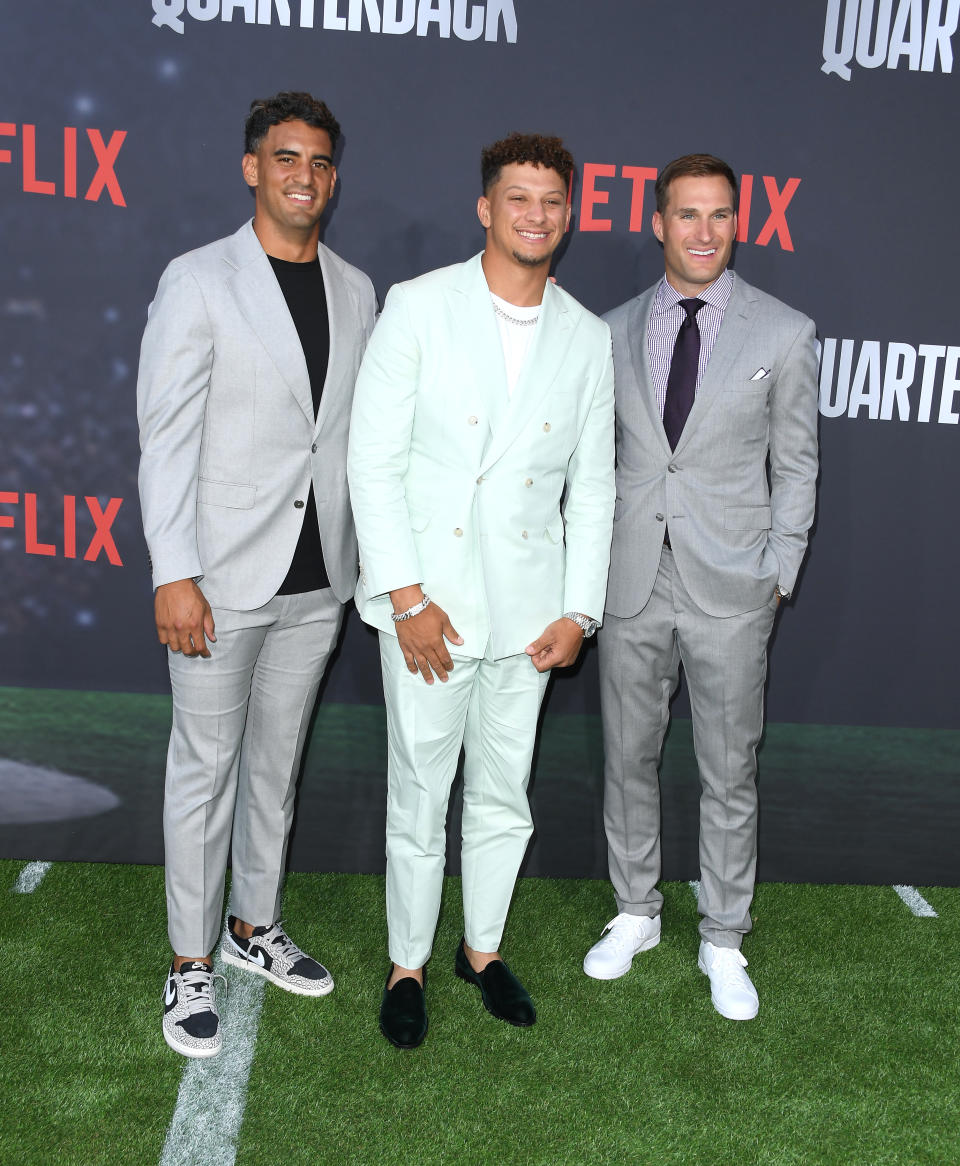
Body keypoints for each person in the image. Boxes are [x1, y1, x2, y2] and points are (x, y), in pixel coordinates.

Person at [348, 133, 615, 1049]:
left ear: (568, 213)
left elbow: (597, 483)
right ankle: (408, 963)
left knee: (506, 797)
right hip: (432, 610)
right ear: (485, 208)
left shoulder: (586, 334)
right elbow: (371, 461)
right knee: (420, 795)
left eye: (550, 200)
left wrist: (581, 610)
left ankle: (483, 950)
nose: (534, 214)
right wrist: (408, 602)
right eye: (517, 198)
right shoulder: (418, 307)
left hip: (532, 616)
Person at [137, 92, 377, 1058]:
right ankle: (188, 961)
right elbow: (164, 439)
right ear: (252, 168)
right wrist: (173, 569)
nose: (303, 176)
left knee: (274, 775)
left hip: (321, 583)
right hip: (219, 579)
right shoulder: (198, 281)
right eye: (286, 159)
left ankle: (251, 929)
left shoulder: (359, 290)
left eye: (319, 161)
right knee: (203, 776)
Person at [584, 154, 818, 1020]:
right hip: (632, 580)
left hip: (733, 586)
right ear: (658, 222)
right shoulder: (607, 330)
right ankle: (636, 911)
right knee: (629, 758)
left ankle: (724, 936)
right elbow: (592, 461)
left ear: (737, 222)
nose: (705, 232)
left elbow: (796, 463)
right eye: (688, 215)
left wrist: (779, 571)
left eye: (720, 215)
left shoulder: (784, 332)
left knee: (728, 770)